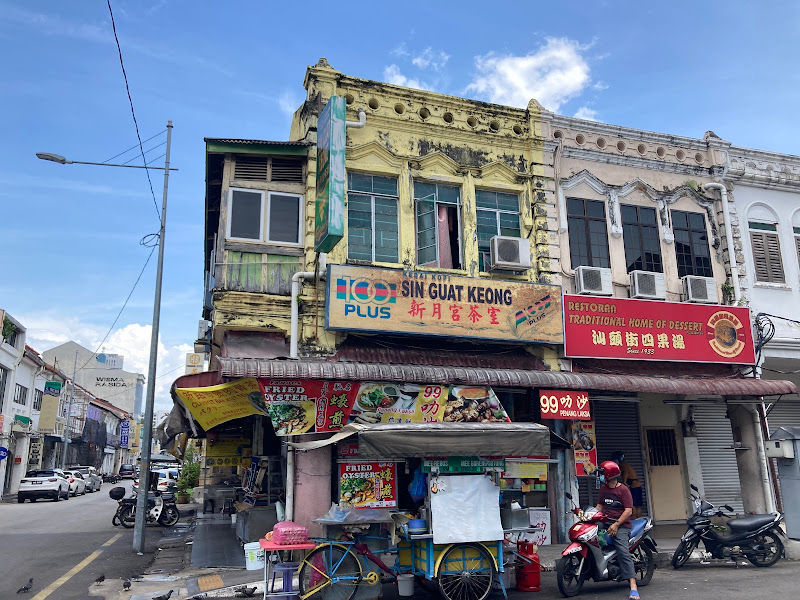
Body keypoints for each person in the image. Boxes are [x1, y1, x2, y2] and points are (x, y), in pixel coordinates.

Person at [595, 460, 638, 600]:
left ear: (609, 475)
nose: (600, 476)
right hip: (605, 523)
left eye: (602, 474)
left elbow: (628, 511)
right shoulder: (603, 489)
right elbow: (600, 506)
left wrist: (616, 525)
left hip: (621, 526)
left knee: (623, 552)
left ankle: (633, 587)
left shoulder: (623, 490)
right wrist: (590, 515)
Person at [612, 450, 643, 519]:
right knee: (638, 505)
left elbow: (626, 472)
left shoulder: (622, 464)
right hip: (637, 485)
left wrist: (624, 481)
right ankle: (639, 520)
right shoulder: (625, 464)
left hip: (633, 485)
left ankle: (634, 519)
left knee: (632, 504)